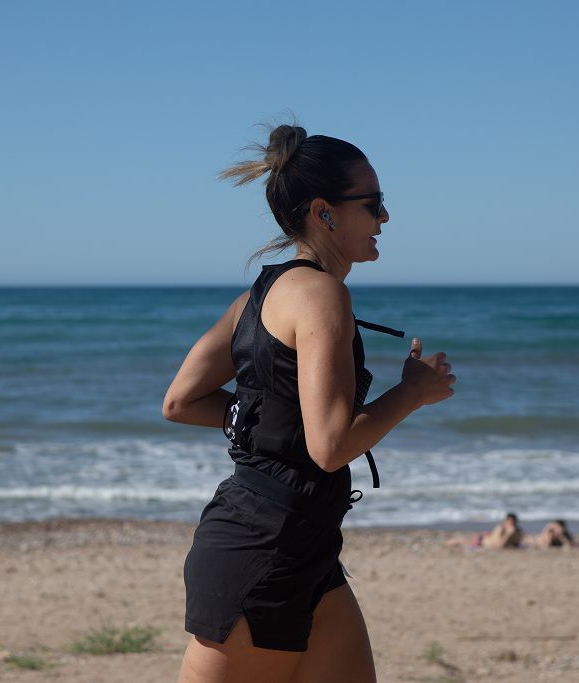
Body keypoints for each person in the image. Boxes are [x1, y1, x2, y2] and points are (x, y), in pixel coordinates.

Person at [163, 123, 456, 682]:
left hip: (303, 548)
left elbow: (182, 401)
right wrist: (411, 394)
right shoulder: (323, 294)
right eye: (374, 205)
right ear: (325, 212)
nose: (385, 219)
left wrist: (261, 424)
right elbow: (331, 446)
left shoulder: (260, 295)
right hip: (262, 552)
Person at [445, 512, 523, 549]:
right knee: (459, 541)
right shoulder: (501, 528)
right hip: (482, 541)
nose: (511, 523)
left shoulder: (518, 531)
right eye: (509, 521)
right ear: (506, 521)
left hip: (486, 540)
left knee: (462, 540)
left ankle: (448, 542)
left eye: (512, 521)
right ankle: (446, 543)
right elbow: (499, 544)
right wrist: (508, 534)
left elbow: (516, 544)